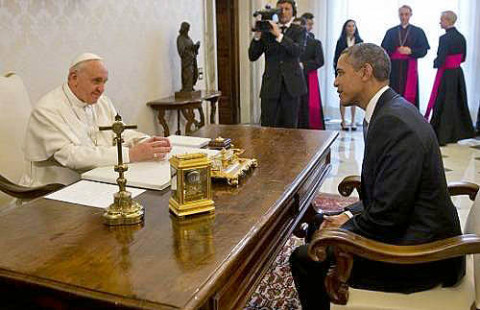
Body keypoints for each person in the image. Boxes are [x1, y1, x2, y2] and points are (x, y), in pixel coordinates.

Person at [290, 43, 464, 310]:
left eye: (340, 73)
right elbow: (390, 193)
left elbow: (388, 216)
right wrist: (346, 216)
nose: (335, 82)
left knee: (306, 256)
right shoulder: (387, 110)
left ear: (365, 72)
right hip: (409, 228)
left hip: (420, 256)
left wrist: (341, 231)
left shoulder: (393, 122)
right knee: (320, 227)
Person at [21, 53, 171, 186]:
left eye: (104, 82)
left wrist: (146, 142)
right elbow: (71, 156)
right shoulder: (47, 109)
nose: (102, 88)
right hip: (54, 189)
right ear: (74, 78)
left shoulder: (102, 102)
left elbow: (121, 132)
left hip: (99, 179)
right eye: (96, 81)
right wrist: (131, 154)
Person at [249, 0, 307, 128]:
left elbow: (297, 51)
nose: (283, 12)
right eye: (280, 9)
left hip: (292, 87)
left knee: (290, 127)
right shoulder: (267, 31)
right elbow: (252, 56)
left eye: (287, 9)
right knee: (268, 126)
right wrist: (257, 35)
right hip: (271, 87)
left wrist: (279, 35)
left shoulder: (300, 30)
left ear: (293, 12)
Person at [425, 11, 474, 146]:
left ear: (447, 20)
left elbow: (441, 59)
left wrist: (436, 63)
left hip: (446, 75)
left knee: (444, 102)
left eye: (441, 20)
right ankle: (457, 133)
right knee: (457, 102)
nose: (440, 22)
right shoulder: (462, 37)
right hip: (457, 74)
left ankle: (443, 134)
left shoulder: (444, 38)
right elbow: (463, 58)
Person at [381, 5, 429, 108]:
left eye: (406, 14)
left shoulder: (418, 31)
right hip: (394, 69)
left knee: (410, 95)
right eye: (401, 14)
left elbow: (424, 50)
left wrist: (411, 51)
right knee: (393, 94)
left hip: (410, 68)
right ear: (398, 15)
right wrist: (395, 51)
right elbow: (383, 50)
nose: (403, 17)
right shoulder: (391, 31)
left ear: (411, 15)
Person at [296, 13, 325, 130]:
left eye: (310, 24)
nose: (310, 27)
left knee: (308, 106)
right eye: (309, 24)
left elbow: (320, 61)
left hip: (308, 77)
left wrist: (303, 65)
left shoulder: (315, 43)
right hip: (293, 78)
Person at [334, 19, 363, 131]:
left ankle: (353, 121)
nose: (351, 28)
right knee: (342, 95)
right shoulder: (340, 41)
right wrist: (337, 73)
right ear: (345, 28)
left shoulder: (360, 41)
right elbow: (336, 58)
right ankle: (343, 121)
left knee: (354, 96)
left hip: (355, 73)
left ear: (355, 28)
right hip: (343, 72)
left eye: (353, 26)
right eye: (349, 26)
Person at [177, 22, 200, 92]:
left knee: (194, 74)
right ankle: (187, 88)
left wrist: (196, 47)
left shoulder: (189, 39)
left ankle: (191, 87)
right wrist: (190, 49)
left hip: (192, 60)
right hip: (187, 62)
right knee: (188, 75)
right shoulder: (180, 38)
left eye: (188, 30)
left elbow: (192, 49)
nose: (187, 31)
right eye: (186, 29)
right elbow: (182, 51)